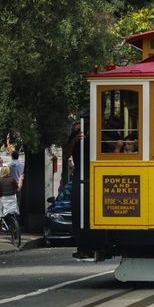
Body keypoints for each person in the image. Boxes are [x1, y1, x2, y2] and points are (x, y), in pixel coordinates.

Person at [63, 108, 91, 258]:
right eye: (84, 119)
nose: (86, 122)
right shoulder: (76, 135)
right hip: (80, 176)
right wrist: (74, 141)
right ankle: (81, 245)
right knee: (78, 212)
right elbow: (65, 154)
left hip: (95, 175)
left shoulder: (100, 133)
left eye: (88, 119)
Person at [0, 166, 19, 242]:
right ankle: (16, 228)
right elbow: (17, 188)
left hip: (4, 200)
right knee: (13, 213)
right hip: (13, 199)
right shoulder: (12, 179)